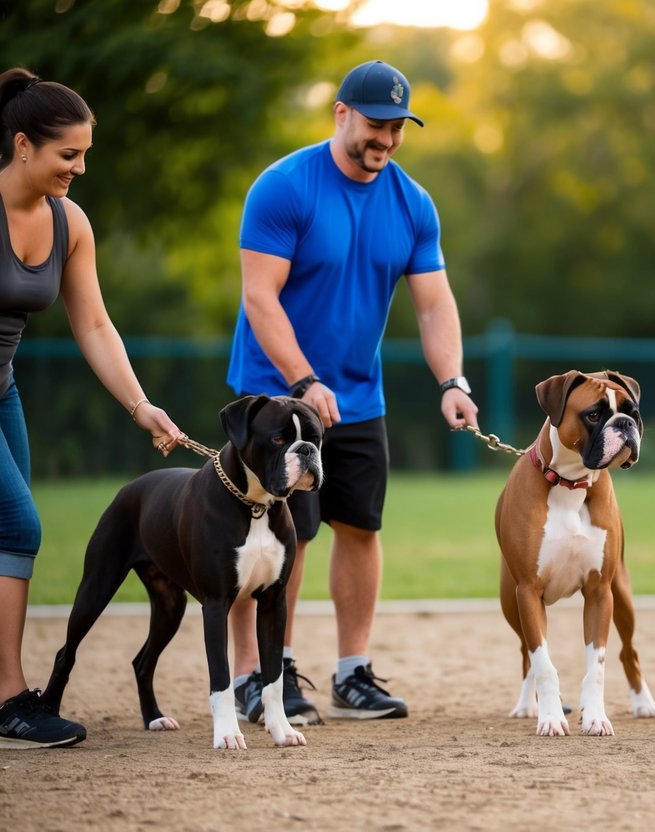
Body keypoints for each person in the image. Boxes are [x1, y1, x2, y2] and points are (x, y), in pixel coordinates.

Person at [226, 60, 479, 725]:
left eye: (397, 127)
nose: (387, 140)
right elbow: (259, 297)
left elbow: (433, 306)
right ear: (341, 114)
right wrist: (304, 382)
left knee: (360, 528)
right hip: (275, 397)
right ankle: (260, 675)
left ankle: (351, 672)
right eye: (375, 125)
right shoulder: (284, 187)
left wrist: (451, 380)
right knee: (284, 536)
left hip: (359, 398)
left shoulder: (411, 203)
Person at [0, 68, 182, 748]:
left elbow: (95, 325)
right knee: (18, 526)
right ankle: (13, 699)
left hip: (3, 391)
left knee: (3, 534)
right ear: (23, 145)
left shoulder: (67, 221)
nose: (79, 168)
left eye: (85, 155)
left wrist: (141, 405)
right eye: (66, 155)